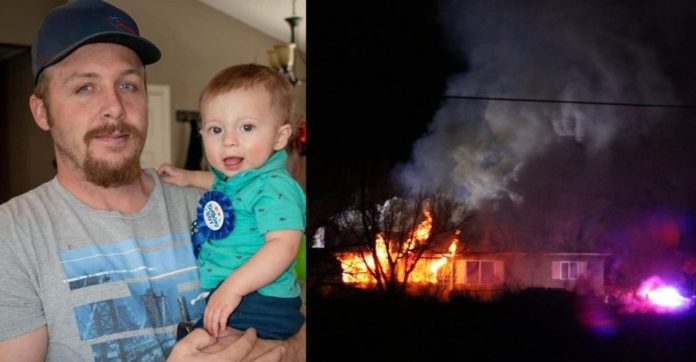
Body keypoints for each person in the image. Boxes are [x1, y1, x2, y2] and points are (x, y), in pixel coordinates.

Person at [0, 1, 303, 361]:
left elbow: (295, 310)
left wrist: (287, 350)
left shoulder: (211, 202)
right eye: (85, 87)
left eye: (127, 84)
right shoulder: (13, 235)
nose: (114, 106)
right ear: (41, 111)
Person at [157, 64, 305, 340]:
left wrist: (233, 288)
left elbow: (284, 246)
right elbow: (216, 183)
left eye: (246, 127)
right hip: (237, 294)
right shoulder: (240, 180)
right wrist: (188, 177)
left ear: (280, 137)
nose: (228, 141)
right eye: (215, 130)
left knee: (206, 348)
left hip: (261, 300)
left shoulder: (274, 186)